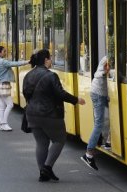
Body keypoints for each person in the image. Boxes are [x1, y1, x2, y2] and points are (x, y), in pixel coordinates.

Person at [22, 49, 85, 182]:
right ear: (46, 60)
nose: (51, 61)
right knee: (59, 139)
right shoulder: (51, 76)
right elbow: (60, 94)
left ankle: (42, 173)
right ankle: (47, 167)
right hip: (49, 114)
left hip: (32, 114)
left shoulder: (28, 75)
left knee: (41, 143)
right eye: (50, 58)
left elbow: (26, 93)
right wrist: (76, 100)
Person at [80, 56, 110, 170]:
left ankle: (108, 141)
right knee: (99, 124)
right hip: (98, 94)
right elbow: (98, 74)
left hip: (102, 94)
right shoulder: (106, 58)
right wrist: (105, 73)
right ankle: (88, 154)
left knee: (115, 115)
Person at [0, 45, 27, 131]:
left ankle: (2, 124)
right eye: (4, 51)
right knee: (10, 105)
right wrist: (27, 61)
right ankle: (4, 123)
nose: (5, 53)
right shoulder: (2, 61)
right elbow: (14, 64)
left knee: (2, 106)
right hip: (4, 86)